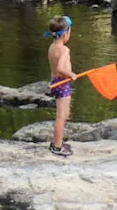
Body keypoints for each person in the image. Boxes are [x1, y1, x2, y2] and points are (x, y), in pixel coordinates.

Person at [45, 15, 77, 156]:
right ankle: (57, 146)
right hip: (63, 84)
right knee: (62, 116)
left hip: (55, 83)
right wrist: (71, 75)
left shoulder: (52, 47)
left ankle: (57, 141)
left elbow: (54, 70)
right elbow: (60, 69)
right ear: (65, 33)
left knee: (64, 114)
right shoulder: (64, 50)